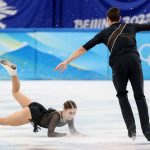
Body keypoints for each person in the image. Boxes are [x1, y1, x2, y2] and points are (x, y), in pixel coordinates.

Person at [55, 7, 150, 141]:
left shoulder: (104, 33)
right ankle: (147, 131)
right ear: (120, 18)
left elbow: (83, 49)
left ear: (108, 20)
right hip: (134, 61)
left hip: (118, 64)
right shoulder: (131, 26)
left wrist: (66, 61)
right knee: (140, 96)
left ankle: (131, 129)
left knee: (122, 95)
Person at [0, 59, 81, 137]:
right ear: (64, 110)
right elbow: (50, 134)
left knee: (16, 92)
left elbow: (73, 131)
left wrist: (86, 137)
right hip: (33, 113)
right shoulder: (56, 116)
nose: (72, 116)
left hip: (38, 109)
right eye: (70, 113)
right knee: (2, 121)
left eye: (74, 113)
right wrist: (66, 135)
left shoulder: (70, 119)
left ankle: (13, 72)